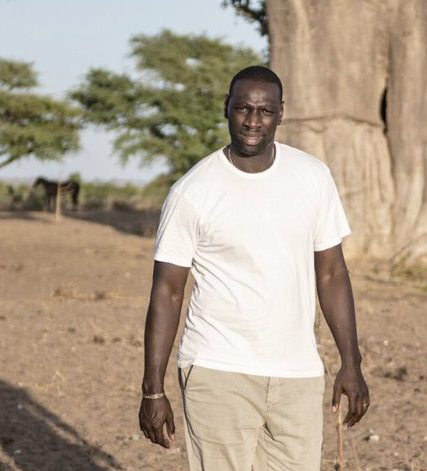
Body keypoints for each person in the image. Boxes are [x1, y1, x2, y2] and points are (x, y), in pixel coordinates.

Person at [138, 65, 369, 470]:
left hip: (297, 372)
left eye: (264, 111)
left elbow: (332, 272)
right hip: (217, 369)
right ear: (226, 108)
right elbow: (168, 292)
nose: (252, 121)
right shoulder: (193, 191)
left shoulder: (313, 177)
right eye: (243, 108)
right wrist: (152, 390)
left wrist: (352, 362)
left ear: (282, 113)